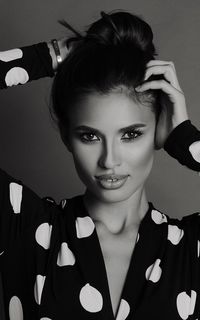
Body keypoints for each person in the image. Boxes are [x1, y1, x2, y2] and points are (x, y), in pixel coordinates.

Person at [0, 9, 200, 320]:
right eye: (90, 136)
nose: (110, 160)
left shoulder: (190, 250)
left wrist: (185, 137)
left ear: (159, 130)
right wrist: (52, 56)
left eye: (131, 134)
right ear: (67, 136)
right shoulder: (26, 230)